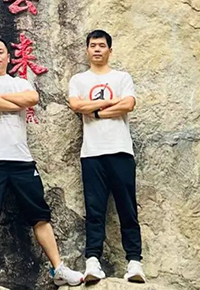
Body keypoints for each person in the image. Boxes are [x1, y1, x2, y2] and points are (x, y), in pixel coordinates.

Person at [0, 38, 83, 286]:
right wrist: (12, 102)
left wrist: (1, 99)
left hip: (22, 160)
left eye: (1, 51)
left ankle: (58, 268)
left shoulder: (20, 82)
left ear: (9, 57)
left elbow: (31, 98)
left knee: (39, 214)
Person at [69, 30, 145, 283]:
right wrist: (112, 103)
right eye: (93, 45)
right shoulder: (79, 79)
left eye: (102, 45)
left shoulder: (121, 77)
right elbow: (76, 105)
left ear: (110, 50)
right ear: (87, 50)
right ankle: (92, 261)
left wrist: (95, 112)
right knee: (94, 210)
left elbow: (128, 104)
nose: (97, 50)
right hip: (91, 153)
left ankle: (134, 262)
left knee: (127, 207)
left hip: (120, 150)